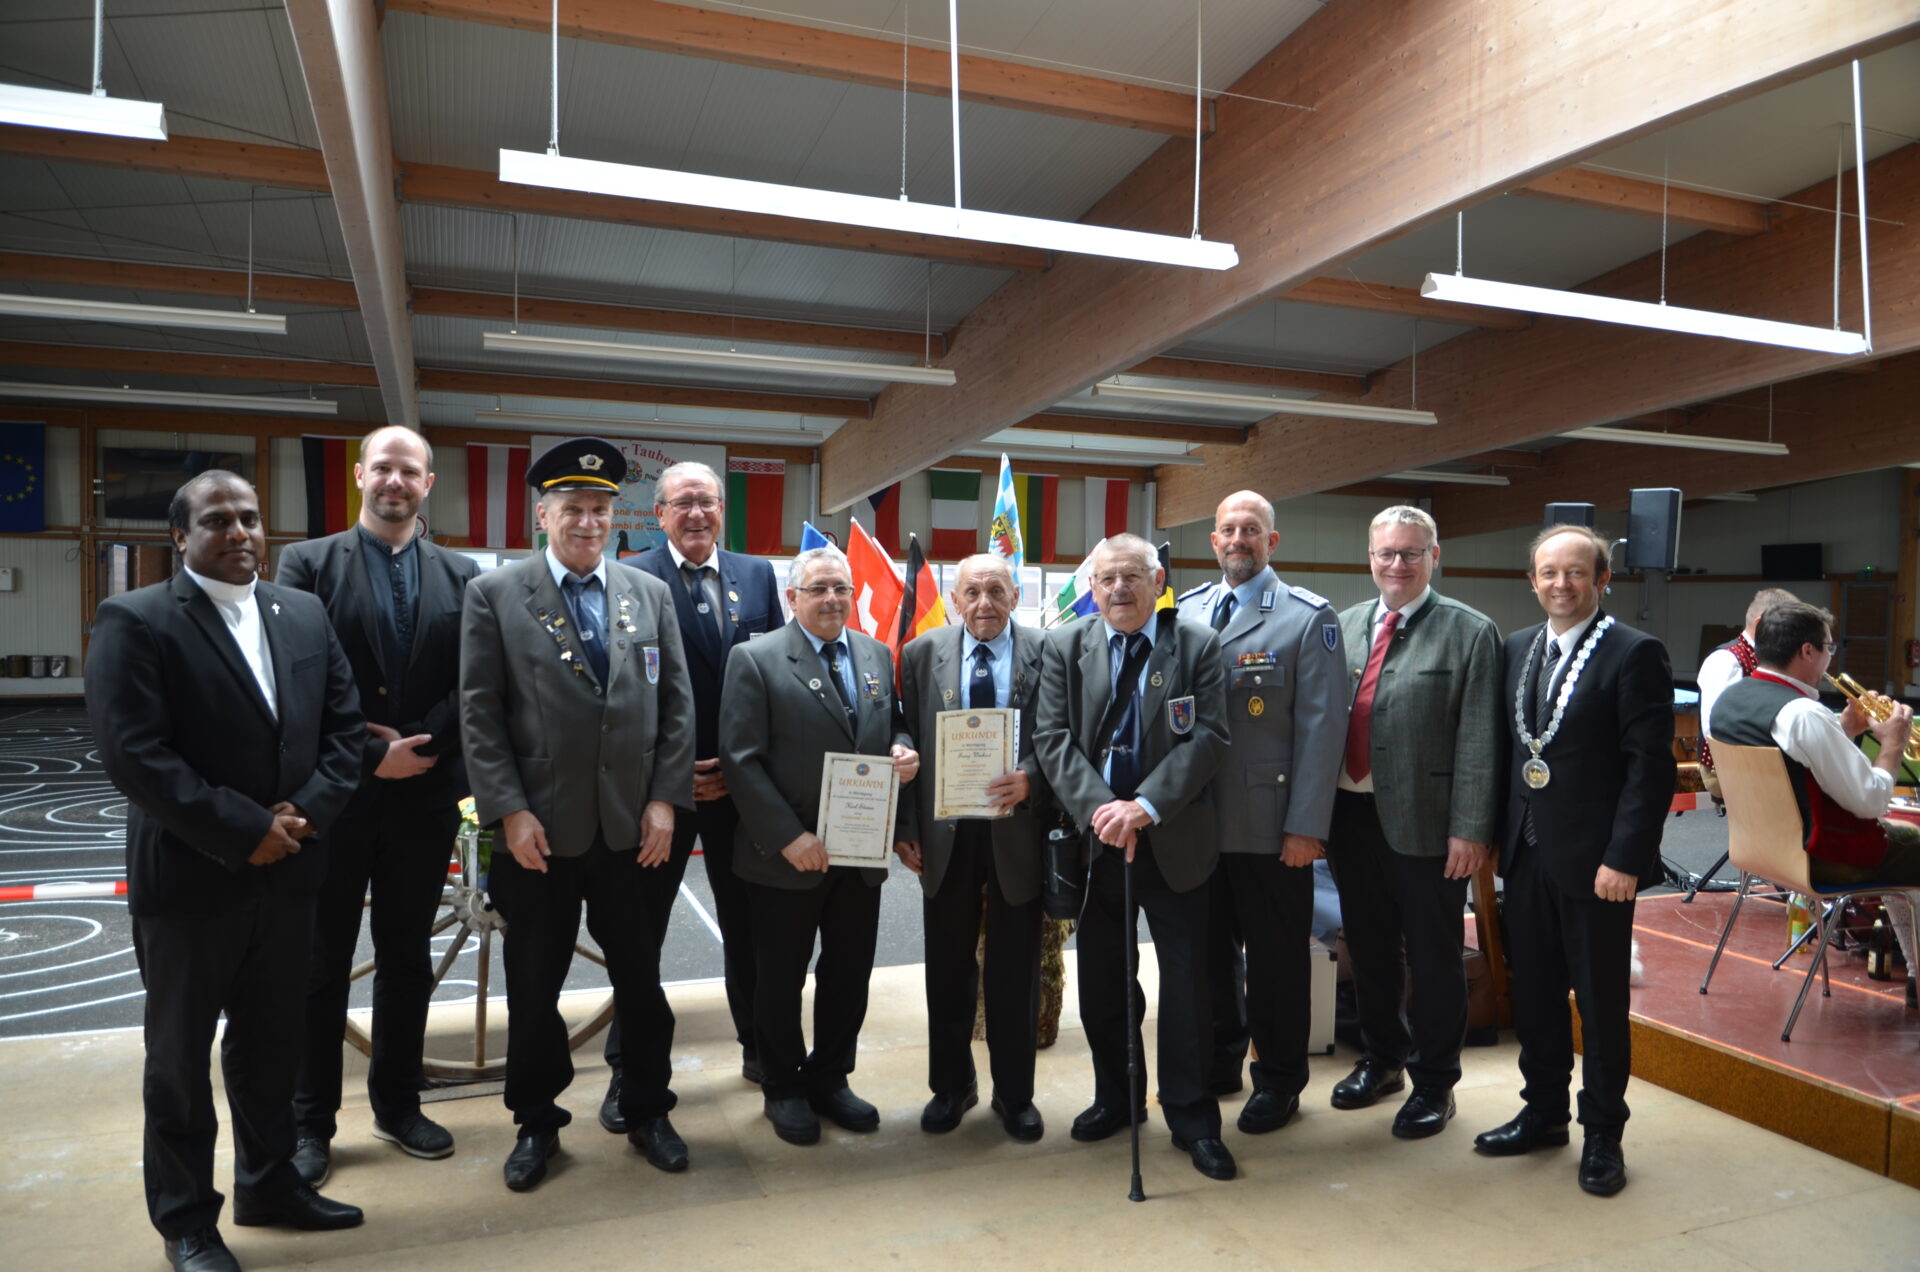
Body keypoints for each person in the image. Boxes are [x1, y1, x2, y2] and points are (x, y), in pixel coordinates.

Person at [88, 471, 365, 1272]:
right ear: (181, 537)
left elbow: (345, 730)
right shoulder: (135, 620)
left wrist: (304, 816)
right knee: (179, 1061)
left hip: (289, 876)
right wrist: (246, 829)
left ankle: (270, 1183)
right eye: (217, 520)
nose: (239, 531)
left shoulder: (302, 612)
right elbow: (135, 755)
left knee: (271, 1044)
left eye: (249, 516)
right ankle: (186, 1222)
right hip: (191, 880)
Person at [459, 438, 695, 1191]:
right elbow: (480, 715)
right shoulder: (496, 594)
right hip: (537, 838)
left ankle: (649, 1108)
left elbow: (678, 708)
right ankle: (536, 1123)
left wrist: (664, 798)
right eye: (573, 510)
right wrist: (508, 813)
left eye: (599, 510)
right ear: (544, 515)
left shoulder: (646, 594)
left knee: (641, 983)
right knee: (534, 988)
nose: (588, 522)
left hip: (634, 831)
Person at [278, 426, 479, 1186]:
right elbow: (299, 673)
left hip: (425, 795)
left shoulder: (462, 574)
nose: (396, 480)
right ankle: (310, 1124)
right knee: (321, 963)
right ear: (361, 475)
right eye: (384, 467)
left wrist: (422, 745)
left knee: (406, 957)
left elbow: (475, 678)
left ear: (429, 485)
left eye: (412, 470)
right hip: (337, 793)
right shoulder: (306, 564)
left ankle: (398, 1104)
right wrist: (370, 751)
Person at [1476, 524, 1673, 1198]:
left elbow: (1650, 770)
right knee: (1532, 995)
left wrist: (1626, 858)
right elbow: (1510, 754)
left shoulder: (1633, 653)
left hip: (1598, 866)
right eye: (1549, 573)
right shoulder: (1517, 648)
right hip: (1527, 854)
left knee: (1599, 1003)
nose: (1562, 584)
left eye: (1576, 572)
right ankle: (1543, 1114)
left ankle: (1603, 1137)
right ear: (1532, 581)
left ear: (1602, 580)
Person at [1035, 534, 1233, 1181]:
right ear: (1092, 589)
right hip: (1098, 844)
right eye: (1107, 578)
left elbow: (1210, 736)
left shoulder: (1197, 643)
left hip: (1175, 838)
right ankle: (1117, 1099)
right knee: (1103, 984)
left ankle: (1192, 1115)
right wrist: (1103, 809)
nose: (1119, 588)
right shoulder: (1066, 646)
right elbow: (1051, 737)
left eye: (1132, 577)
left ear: (1158, 581)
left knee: (1189, 987)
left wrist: (1143, 806)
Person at [596, 461, 784, 1133]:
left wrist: (740, 767)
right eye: (684, 503)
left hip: (743, 789)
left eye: (708, 502)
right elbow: (621, 689)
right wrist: (675, 779)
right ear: (660, 512)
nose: (697, 514)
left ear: (721, 509)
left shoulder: (758, 576)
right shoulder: (629, 575)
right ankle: (629, 1071)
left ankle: (763, 1052)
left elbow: (776, 674)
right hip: (660, 794)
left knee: (752, 929)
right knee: (638, 935)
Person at [718, 545, 920, 1146]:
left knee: (848, 974)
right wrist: (790, 837)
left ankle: (832, 1078)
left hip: (859, 854)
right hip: (787, 855)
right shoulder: (754, 659)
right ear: (792, 598)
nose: (833, 599)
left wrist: (905, 750)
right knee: (779, 978)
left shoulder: (877, 654)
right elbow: (741, 760)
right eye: (819, 589)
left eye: (842, 589)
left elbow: (896, 720)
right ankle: (782, 1086)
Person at [1174, 492, 1346, 1135]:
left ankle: (1278, 1079)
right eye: (1227, 530)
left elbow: (1323, 731)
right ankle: (1221, 1062)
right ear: (1213, 542)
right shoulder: (1187, 610)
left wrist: (1308, 826)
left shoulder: (1307, 619)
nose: (1238, 539)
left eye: (1252, 529)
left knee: (1277, 961)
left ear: (1272, 542)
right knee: (1209, 956)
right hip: (1195, 825)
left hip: (1273, 828)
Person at [1327, 505, 1502, 1138]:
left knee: (1433, 958)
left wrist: (1471, 828)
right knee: (1368, 948)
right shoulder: (1342, 626)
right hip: (1349, 815)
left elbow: (1481, 738)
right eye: (1385, 553)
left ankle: (1435, 1082)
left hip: (1430, 825)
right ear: (1369, 558)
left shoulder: (1469, 631)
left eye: (1410, 553)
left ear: (1434, 557)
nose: (1396, 564)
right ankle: (1382, 1061)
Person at [896, 554, 1050, 1141]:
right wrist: (907, 822)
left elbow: (1060, 729)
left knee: (1016, 970)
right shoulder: (920, 653)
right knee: (947, 966)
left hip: (1018, 828)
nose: (984, 603)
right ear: (954, 599)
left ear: (1015, 596)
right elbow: (903, 729)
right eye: (972, 592)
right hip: (946, 830)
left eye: (996, 591)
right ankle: (951, 1085)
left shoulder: (1047, 650)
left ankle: (1016, 1095)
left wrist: (1032, 774)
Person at [1707, 601, 1920, 978]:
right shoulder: (1803, 713)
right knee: (1911, 843)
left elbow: (1797, 761)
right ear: (1807, 651)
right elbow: (1871, 802)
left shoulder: (1731, 700)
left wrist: (1844, 730)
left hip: (1762, 852)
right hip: (1819, 857)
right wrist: (1892, 746)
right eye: (1829, 647)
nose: (1829, 657)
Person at [1696, 588, 1798, 793]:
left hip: (1758, 763)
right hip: (1728, 767)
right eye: (1787, 628)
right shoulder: (1726, 659)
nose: (1793, 637)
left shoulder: (1765, 656)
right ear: (1760, 624)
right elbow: (1715, 728)